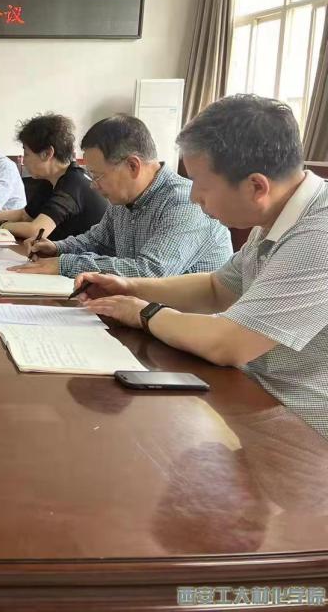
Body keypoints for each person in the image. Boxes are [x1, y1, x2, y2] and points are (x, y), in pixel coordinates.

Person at [79, 95, 328, 438]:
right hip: (253, 396)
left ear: (256, 186)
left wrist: (142, 312)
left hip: (304, 427)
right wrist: (129, 286)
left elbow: (229, 343)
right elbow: (216, 288)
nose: (194, 196)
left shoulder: (319, 234)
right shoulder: (277, 216)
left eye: (201, 183)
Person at [15, 114, 232, 277]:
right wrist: (56, 248)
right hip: (135, 309)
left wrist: (65, 265)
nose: (93, 186)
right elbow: (97, 241)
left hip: (182, 319)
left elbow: (150, 272)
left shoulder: (183, 202)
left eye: (97, 175)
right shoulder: (122, 198)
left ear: (132, 166)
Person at [0, 114, 108, 241]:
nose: (24, 161)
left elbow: (37, 230)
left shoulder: (73, 183)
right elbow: (24, 215)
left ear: (47, 153)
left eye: (26, 154)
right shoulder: (50, 180)